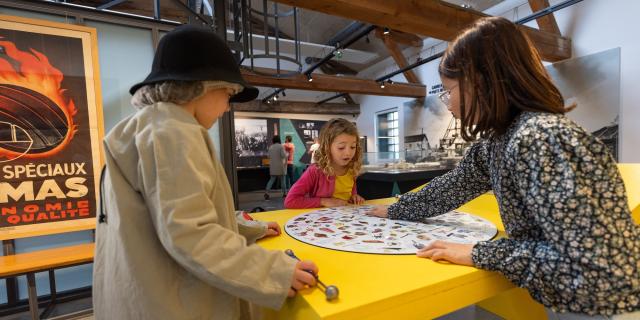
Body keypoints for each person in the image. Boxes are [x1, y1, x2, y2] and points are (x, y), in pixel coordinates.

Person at [368, 17, 640, 319]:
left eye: (448, 91)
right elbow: (456, 184)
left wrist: (481, 253)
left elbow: (595, 273)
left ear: (480, 82)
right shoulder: (500, 141)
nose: (447, 103)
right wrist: (397, 209)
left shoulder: (541, 139)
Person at [93, 25, 317, 320]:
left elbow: (168, 214)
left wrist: (247, 229)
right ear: (202, 87)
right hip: (171, 304)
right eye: (228, 92)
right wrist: (274, 272)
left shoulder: (144, 127)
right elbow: (190, 233)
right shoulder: (174, 133)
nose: (227, 106)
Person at [285, 118, 365, 209]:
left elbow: (349, 193)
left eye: (352, 147)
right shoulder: (315, 171)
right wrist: (323, 201)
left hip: (347, 218)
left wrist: (354, 197)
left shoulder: (352, 168)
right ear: (327, 147)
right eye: (341, 147)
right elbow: (290, 200)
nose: (348, 153)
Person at [264, 135, 287, 200]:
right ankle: (285, 193)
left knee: (271, 180)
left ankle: (267, 192)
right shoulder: (281, 147)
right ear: (279, 140)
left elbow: (268, 156)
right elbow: (283, 155)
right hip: (280, 166)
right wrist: (287, 154)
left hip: (273, 166)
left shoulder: (271, 147)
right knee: (283, 180)